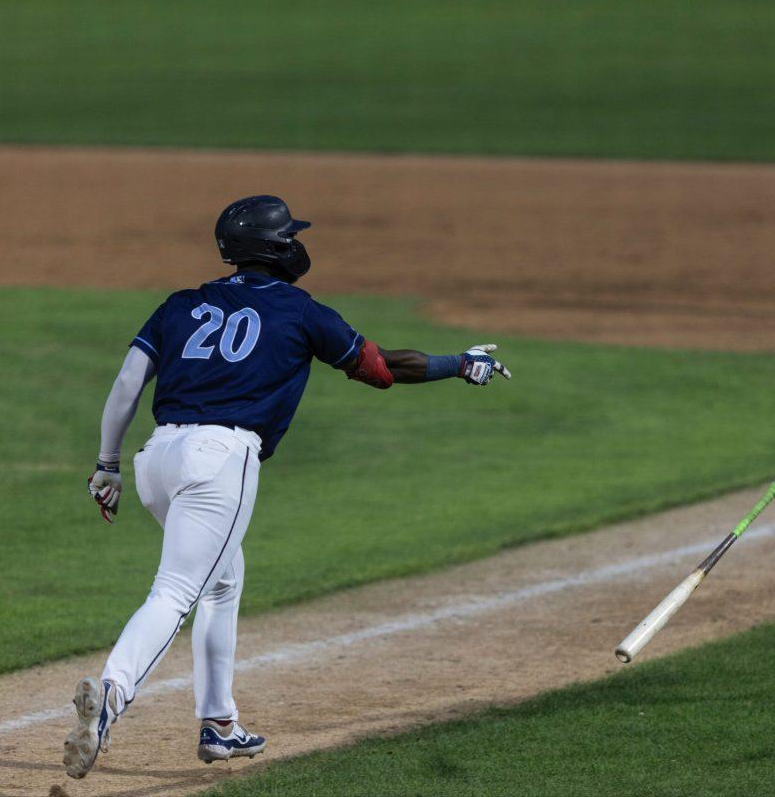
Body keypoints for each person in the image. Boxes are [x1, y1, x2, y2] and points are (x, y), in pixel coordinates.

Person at [63, 195, 510, 779]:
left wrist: (107, 465)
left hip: (157, 460)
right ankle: (109, 701)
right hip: (220, 460)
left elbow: (127, 384)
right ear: (277, 248)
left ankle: (220, 726)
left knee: (223, 580)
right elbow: (380, 369)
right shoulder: (302, 311)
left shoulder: (181, 304)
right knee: (175, 592)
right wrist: (459, 363)